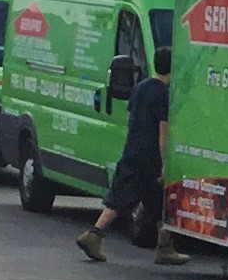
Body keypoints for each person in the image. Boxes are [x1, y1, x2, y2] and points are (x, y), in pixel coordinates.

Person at [76, 46, 190, 266]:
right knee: (162, 202)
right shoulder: (164, 94)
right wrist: (165, 163)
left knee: (128, 199)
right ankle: (162, 247)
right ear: (173, 68)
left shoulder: (140, 87)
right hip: (150, 157)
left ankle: (96, 235)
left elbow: (131, 117)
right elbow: (163, 131)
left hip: (132, 150)